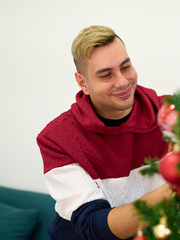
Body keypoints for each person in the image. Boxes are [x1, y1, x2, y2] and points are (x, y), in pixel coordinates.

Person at [37, 25, 172, 240]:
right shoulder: (56, 139)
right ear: (83, 83)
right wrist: (173, 192)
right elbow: (94, 229)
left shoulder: (171, 114)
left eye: (126, 67)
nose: (122, 81)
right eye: (106, 75)